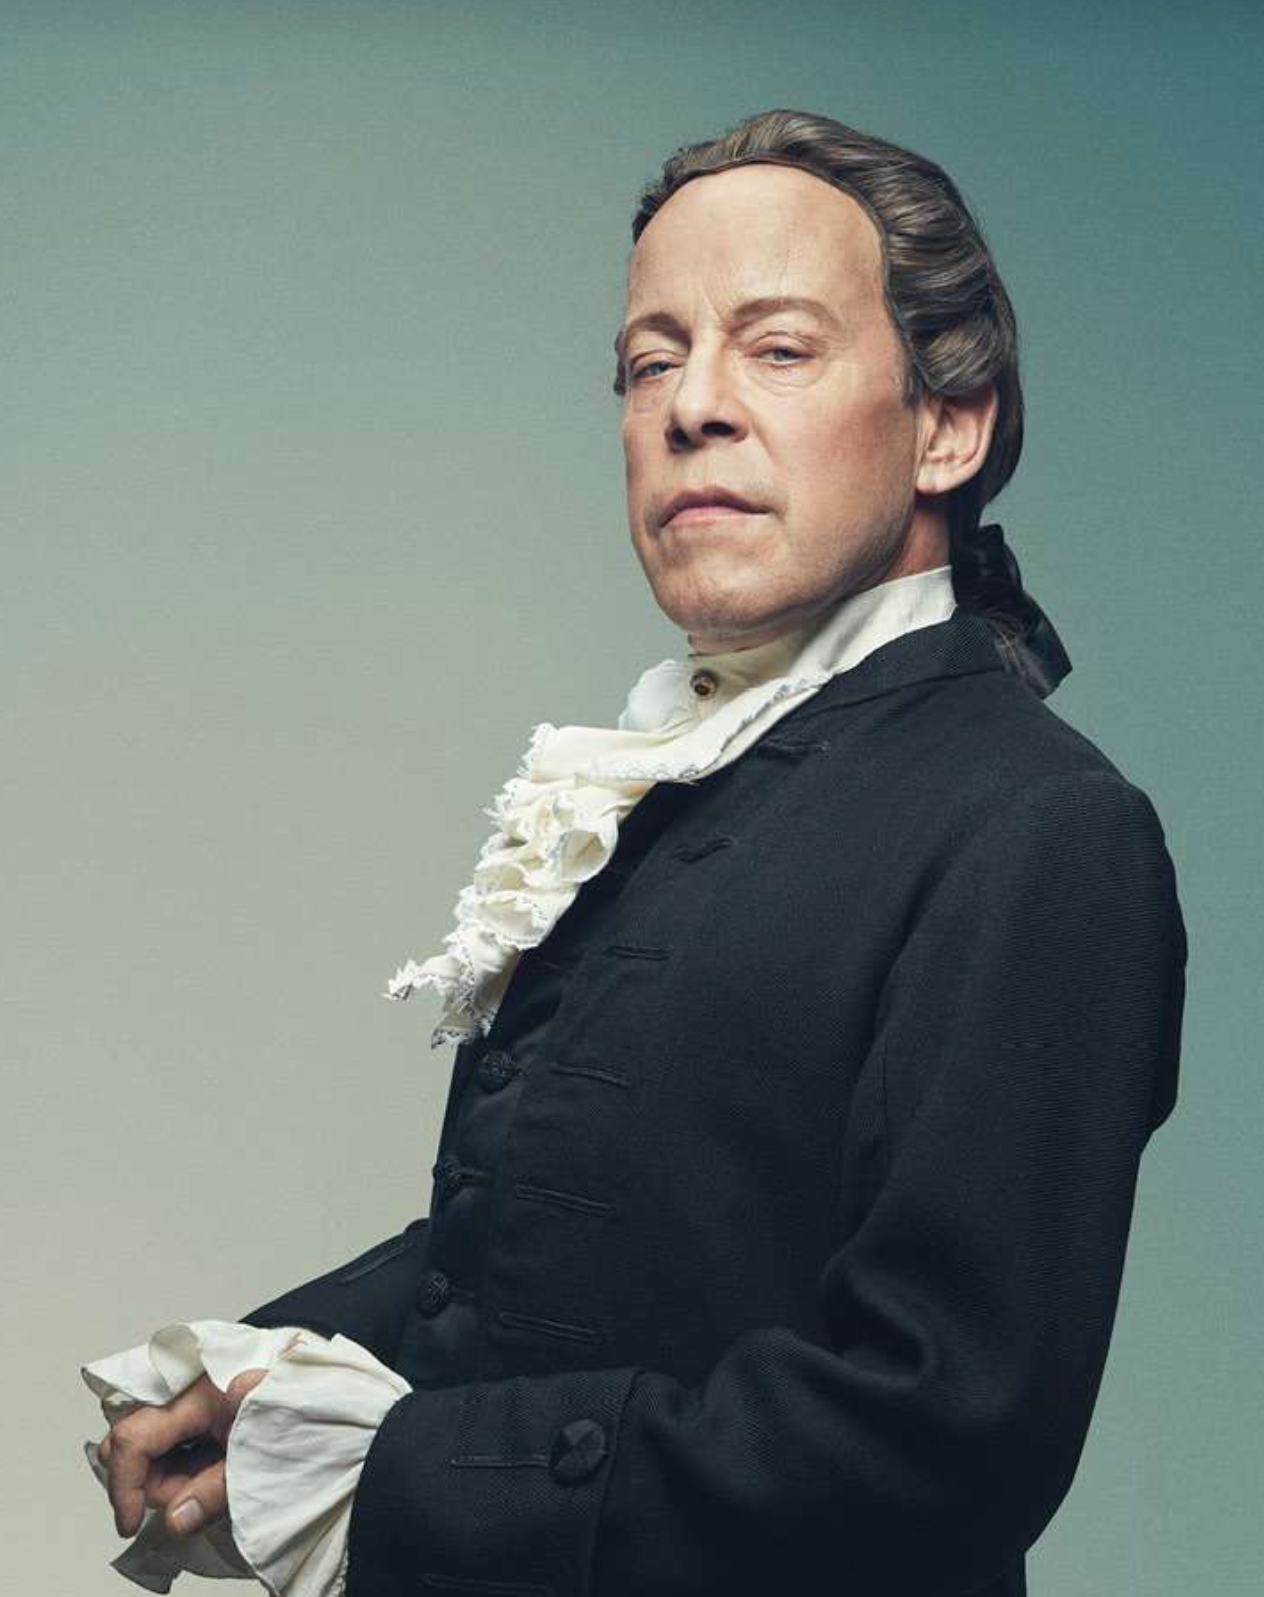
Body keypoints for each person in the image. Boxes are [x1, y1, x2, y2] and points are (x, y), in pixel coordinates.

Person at [82, 107, 1187, 1597]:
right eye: (651, 361)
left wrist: (395, 1476)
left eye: (777, 349)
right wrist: (275, 1370)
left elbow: (937, 1439)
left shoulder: (1037, 825)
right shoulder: (660, 783)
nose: (692, 407)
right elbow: (572, 1242)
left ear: (950, 426)